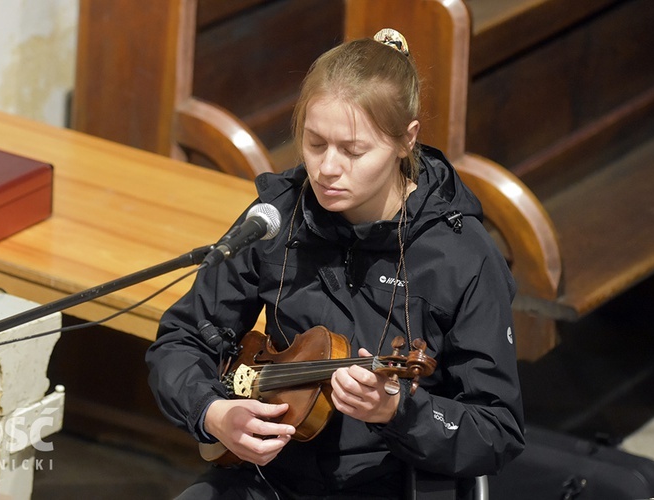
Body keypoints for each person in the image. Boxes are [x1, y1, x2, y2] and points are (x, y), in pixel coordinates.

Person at [146, 28, 524, 499]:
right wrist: (212, 413)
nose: (327, 168)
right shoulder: (276, 218)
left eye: (353, 150)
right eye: (315, 143)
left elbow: (497, 429)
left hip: (395, 483)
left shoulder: (464, 257)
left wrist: (399, 412)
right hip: (272, 475)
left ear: (407, 141)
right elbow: (181, 340)